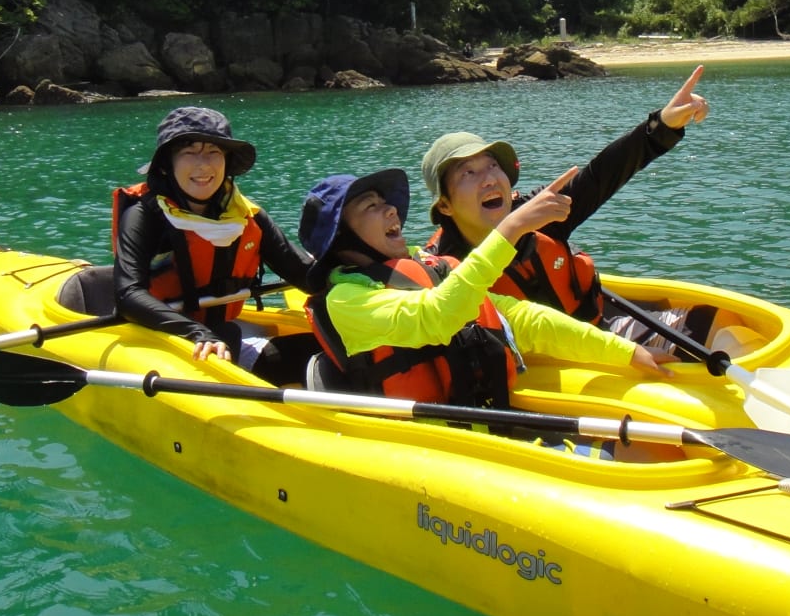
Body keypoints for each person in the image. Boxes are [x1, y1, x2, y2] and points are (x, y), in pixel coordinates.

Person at [298, 167, 669, 410]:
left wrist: (625, 352)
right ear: (341, 238)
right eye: (371, 207)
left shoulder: (431, 269)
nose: (392, 210)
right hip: (431, 449)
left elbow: (522, 320)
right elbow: (439, 317)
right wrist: (510, 229)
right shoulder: (347, 300)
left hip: (484, 420)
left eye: (386, 203)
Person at [420, 67, 709, 348]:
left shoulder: (539, 213)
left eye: (493, 165)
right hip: (553, 364)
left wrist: (663, 125)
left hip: (599, 329)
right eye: (468, 173)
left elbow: (603, 174)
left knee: (710, 322)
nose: (489, 179)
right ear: (445, 206)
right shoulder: (440, 271)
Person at [113, 106, 314, 381]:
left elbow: (303, 273)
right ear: (167, 164)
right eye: (189, 152)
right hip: (159, 337)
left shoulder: (245, 216)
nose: (204, 165)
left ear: (226, 162)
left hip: (218, 337)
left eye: (213, 152)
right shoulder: (144, 216)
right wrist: (196, 332)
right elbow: (127, 294)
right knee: (225, 334)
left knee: (313, 350)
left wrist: (357, 275)